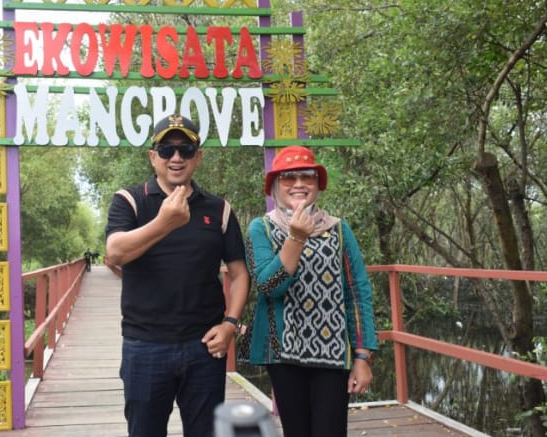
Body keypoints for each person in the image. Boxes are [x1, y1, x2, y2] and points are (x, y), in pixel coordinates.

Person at [105, 113, 250, 437]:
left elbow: (240, 274)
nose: (176, 157)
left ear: (198, 157)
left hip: (204, 346)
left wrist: (230, 324)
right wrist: (164, 223)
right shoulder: (130, 200)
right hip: (145, 345)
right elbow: (115, 253)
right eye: (166, 149)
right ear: (152, 156)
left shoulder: (219, 209)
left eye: (186, 149)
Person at [245, 145, 378, 437]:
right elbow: (268, 285)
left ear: (318, 185)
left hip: (334, 353)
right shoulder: (261, 229)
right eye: (288, 178)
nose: (299, 184)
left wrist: (362, 356)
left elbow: (358, 293)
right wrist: (296, 237)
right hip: (283, 355)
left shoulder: (339, 230)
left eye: (307, 176)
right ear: (274, 186)